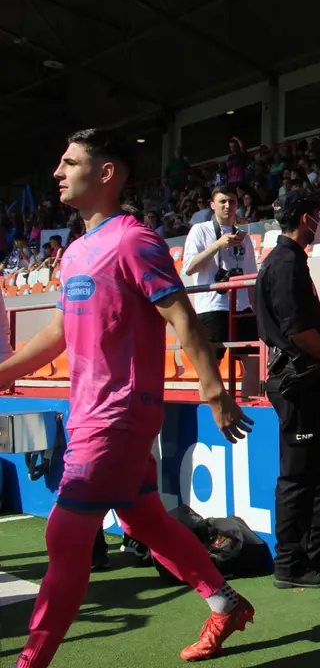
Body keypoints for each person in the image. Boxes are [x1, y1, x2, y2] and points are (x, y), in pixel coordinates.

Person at [8, 129, 255, 667]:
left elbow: (182, 316)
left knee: (65, 541)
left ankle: (30, 662)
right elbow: (56, 334)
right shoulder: (76, 252)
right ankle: (225, 602)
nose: (57, 173)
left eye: (68, 162)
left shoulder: (133, 240)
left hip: (117, 418)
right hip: (91, 414)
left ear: (106, 174)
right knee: (145, 519)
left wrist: (215, 392)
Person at [254, 190, 320, 590]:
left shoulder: (284, 260)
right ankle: (291, 564)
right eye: (319, 217)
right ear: (307, 218)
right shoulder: (287, 263)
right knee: (298, 475)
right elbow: (299, 331)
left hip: (298, 379)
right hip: (296, 380)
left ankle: (315, 553)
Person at [182, 184, 258, 352]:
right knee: (212, 369)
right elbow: (189, 268)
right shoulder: (199, 230)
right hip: (213, 307)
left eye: (232, 202)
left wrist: (257, 311)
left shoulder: (244, 238)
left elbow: (252, 278)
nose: (228, 206)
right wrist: (217, 245)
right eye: (222, 201)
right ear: (212, 205)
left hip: (243, 307)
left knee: (253, 365)